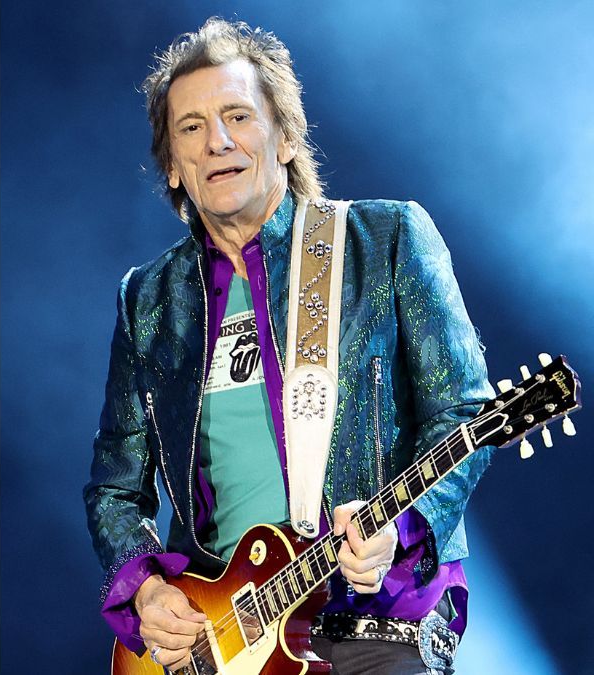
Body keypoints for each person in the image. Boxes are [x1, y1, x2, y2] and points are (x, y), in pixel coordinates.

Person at [84, 18, 493, 675]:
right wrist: (147, 588)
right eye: (190, 127)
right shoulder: (149, 300)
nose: (216, 141)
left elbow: (467, 413)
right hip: (219, 637)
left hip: (373, 614)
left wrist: (399, 529)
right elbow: (114, 487)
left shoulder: (383, 240)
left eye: (238, 116)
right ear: (172, 164)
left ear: (285, 136)